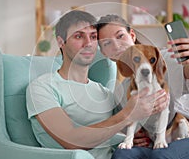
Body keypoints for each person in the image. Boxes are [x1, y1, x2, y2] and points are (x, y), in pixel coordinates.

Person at [26, 10, 169, 159]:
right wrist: (128, 115)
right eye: (79, 36)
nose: (88, 43)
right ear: (61, 42)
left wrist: (136, 135)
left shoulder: (105, 93)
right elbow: (71, 140)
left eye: (93, 37)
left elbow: (120, 127)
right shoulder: (42, 87)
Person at [96, 14, 189, 159]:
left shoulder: (162, 60)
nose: (116, 45)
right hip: (156, 145)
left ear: (132, 35)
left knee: (162, 155)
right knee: (122, 155)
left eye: (120, 36)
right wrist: (134, 136)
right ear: (104, 52)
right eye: (107, 43)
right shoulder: (120, 92)